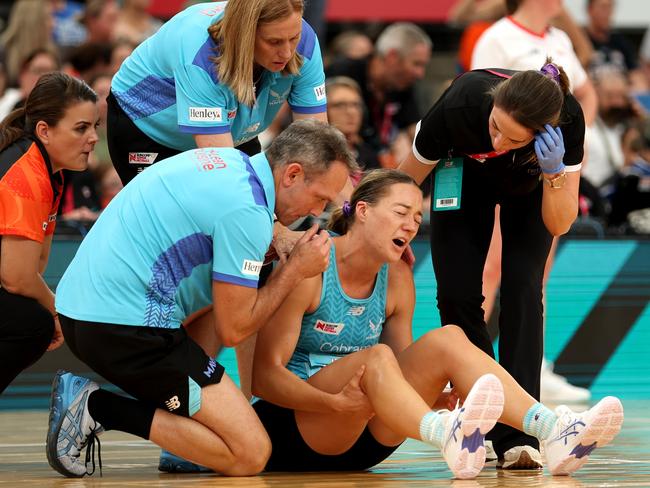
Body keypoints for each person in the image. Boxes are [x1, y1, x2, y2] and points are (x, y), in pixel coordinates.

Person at [163, 169, 624, 478]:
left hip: (370, 438)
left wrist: (433, 393)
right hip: (300, 429)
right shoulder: (311, 265)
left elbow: (400, 368)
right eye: (401, 213)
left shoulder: (399, 278)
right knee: (377, 358)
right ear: (362, 211)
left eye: (417, 217)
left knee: (448, 339)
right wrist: (335, 403)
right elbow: (264, 377)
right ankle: (448, 434)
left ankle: (550, 430)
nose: (411, 225)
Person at [46, 119, 358, 478]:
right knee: (250, 454)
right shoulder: (248, 213)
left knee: (226, 297)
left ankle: (182, 433)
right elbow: (235, 330)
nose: (316, 212)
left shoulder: (230, 162)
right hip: (123, 327)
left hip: (83, 310)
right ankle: (97, 407)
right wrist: (294, 271)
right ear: (291, 174)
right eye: (319, 197)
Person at [398, 62, 586, 469]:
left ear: (540, 134)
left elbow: (560, 222)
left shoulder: (568, 120)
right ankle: (482, 418)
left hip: (533, 184)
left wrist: (553, 173)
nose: (496, 139)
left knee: (522, 288)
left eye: (510, 136)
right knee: (456, 292)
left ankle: (520, 436)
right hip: (463, 175)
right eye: (494, 126)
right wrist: (387, 236)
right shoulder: (462, 104)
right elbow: (404, 180)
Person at [108, 0, 327, 185]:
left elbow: (316, 143)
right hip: (147, 126)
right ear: (245, 36)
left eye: (293, 38)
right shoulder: (200, 51)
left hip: (235, 130)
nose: (288, 52)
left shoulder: (304, 41)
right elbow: (223, 175)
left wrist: (346, 209)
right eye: (274, 42)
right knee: (181, 223)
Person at [0, 72, 99, 393]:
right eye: (81, 128)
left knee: (32, 319)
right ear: (44, 130)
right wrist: (55, 310)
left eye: (95, 127)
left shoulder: (51, 174)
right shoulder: (26, 172)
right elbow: (16, 277)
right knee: (32, 324)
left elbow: (37, 264)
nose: (93, 138)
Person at [326, 23, 432, 168]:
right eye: (416, 64)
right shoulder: (343, 71)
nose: (420, 74)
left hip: (377, 165)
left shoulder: (403, 84)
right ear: (392, 56)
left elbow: (414, 129)